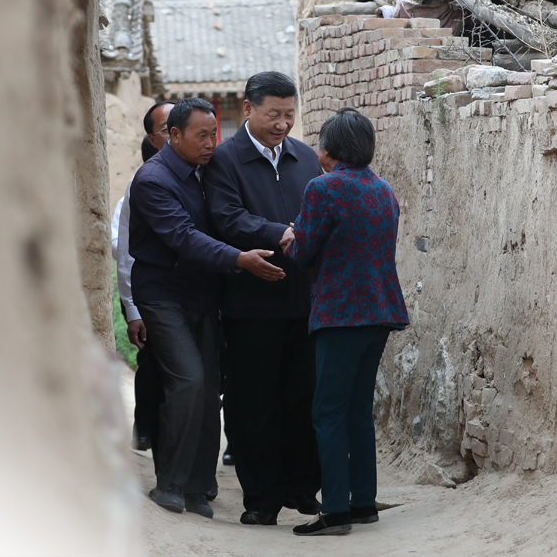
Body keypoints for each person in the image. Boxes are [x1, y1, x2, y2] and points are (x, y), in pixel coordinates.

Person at [128, 97, 285, 519]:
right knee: (189, 381)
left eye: (214, 134)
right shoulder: (152, 180)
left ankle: (198, 487)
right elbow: (183, 237)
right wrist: (239, 259)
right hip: (163, 294)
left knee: (209, 387)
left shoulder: (206, 171)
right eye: (201, 136)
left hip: (204, 293)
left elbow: (228, 218)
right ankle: (170, 483)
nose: (210, 144)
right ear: (173, 135)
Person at [205, 71, 323, 526]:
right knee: (253, 405)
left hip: (304, 302)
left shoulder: (305, 157)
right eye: (273, 114)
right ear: (248, 109)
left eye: (289, 114)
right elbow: (226, 217)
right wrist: (281, 233)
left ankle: (301, 487)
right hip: (250, 306)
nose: (282, 124)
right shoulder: (224, 160)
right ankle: (261, 498)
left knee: (303, 398)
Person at [284, 107, 410, 537]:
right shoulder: (383, 189)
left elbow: (303, 252)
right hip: (380, 311)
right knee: (358, 410)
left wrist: (292, 236)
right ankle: (363, 502)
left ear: (330, 150)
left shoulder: (323, 187)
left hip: (340, 314)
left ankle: (336, 510)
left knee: (328, 412)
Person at [121, 101, 174, 454]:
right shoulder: (142, 185)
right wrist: (133, 310)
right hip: (156, 299)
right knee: (155, 365)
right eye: (168, 129)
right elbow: (125, 250)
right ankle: (148, 431)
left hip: (200, 298)